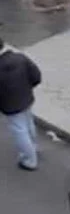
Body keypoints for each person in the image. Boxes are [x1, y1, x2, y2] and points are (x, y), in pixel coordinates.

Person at [0, 36, 39, 169]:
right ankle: (34, 147)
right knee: (29, 123)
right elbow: (36, 76)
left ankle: (30, 160)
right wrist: (27, 88)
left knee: (19, 130)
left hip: (10, 105)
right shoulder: (20, 58)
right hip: (27, 98)